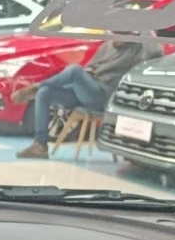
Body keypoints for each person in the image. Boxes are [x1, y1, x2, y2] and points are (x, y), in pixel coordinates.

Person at [13, 39, 151, 159]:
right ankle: (40, 145)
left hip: (102, 94)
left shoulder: (137, 49)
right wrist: (89, 72)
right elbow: (90, 66)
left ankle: (36, 87)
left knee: (74, 70)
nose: (116, 38)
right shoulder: (107, 45)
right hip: (87, 88)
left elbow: (154, 52)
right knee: (45, 93)